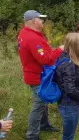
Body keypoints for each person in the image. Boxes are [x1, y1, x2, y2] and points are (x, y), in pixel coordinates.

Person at [18, 10, 62, 140]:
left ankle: (44, 125)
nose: (42, 21)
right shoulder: (32, 37)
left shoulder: (27, 33)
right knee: (38, 105)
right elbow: (45, 60)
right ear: (34, 21)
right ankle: (32, 135)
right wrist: (60, 49)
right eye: (40, 19)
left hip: (37, 73)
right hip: (37, 75)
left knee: (43, 102)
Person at [54, 33, 79, 140]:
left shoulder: (63, 57)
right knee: (69, 136)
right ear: (76, 46)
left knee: (68, 134)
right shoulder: (69, 64)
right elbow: (69, 89)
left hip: (64, 103)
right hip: (69, 105)